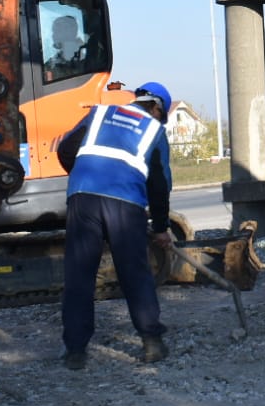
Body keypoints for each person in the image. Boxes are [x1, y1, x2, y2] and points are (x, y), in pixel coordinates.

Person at [55, 81, 175, 370]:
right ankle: (151, 342)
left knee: (79, 274)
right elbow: (160, 184)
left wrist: (88, 176)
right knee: (134, 271)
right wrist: (160, 227)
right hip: (125, 202)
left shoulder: (99, 113)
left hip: (82, 196)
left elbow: (66, 148)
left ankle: (75, 352)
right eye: (162, 114)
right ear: (156, 107)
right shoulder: (153, 130)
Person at [44, 15, 88, 82]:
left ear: (70, 32)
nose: (53, 35)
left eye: (56, 31)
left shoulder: (82, 60)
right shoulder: (56, 59)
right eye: (54, 31)